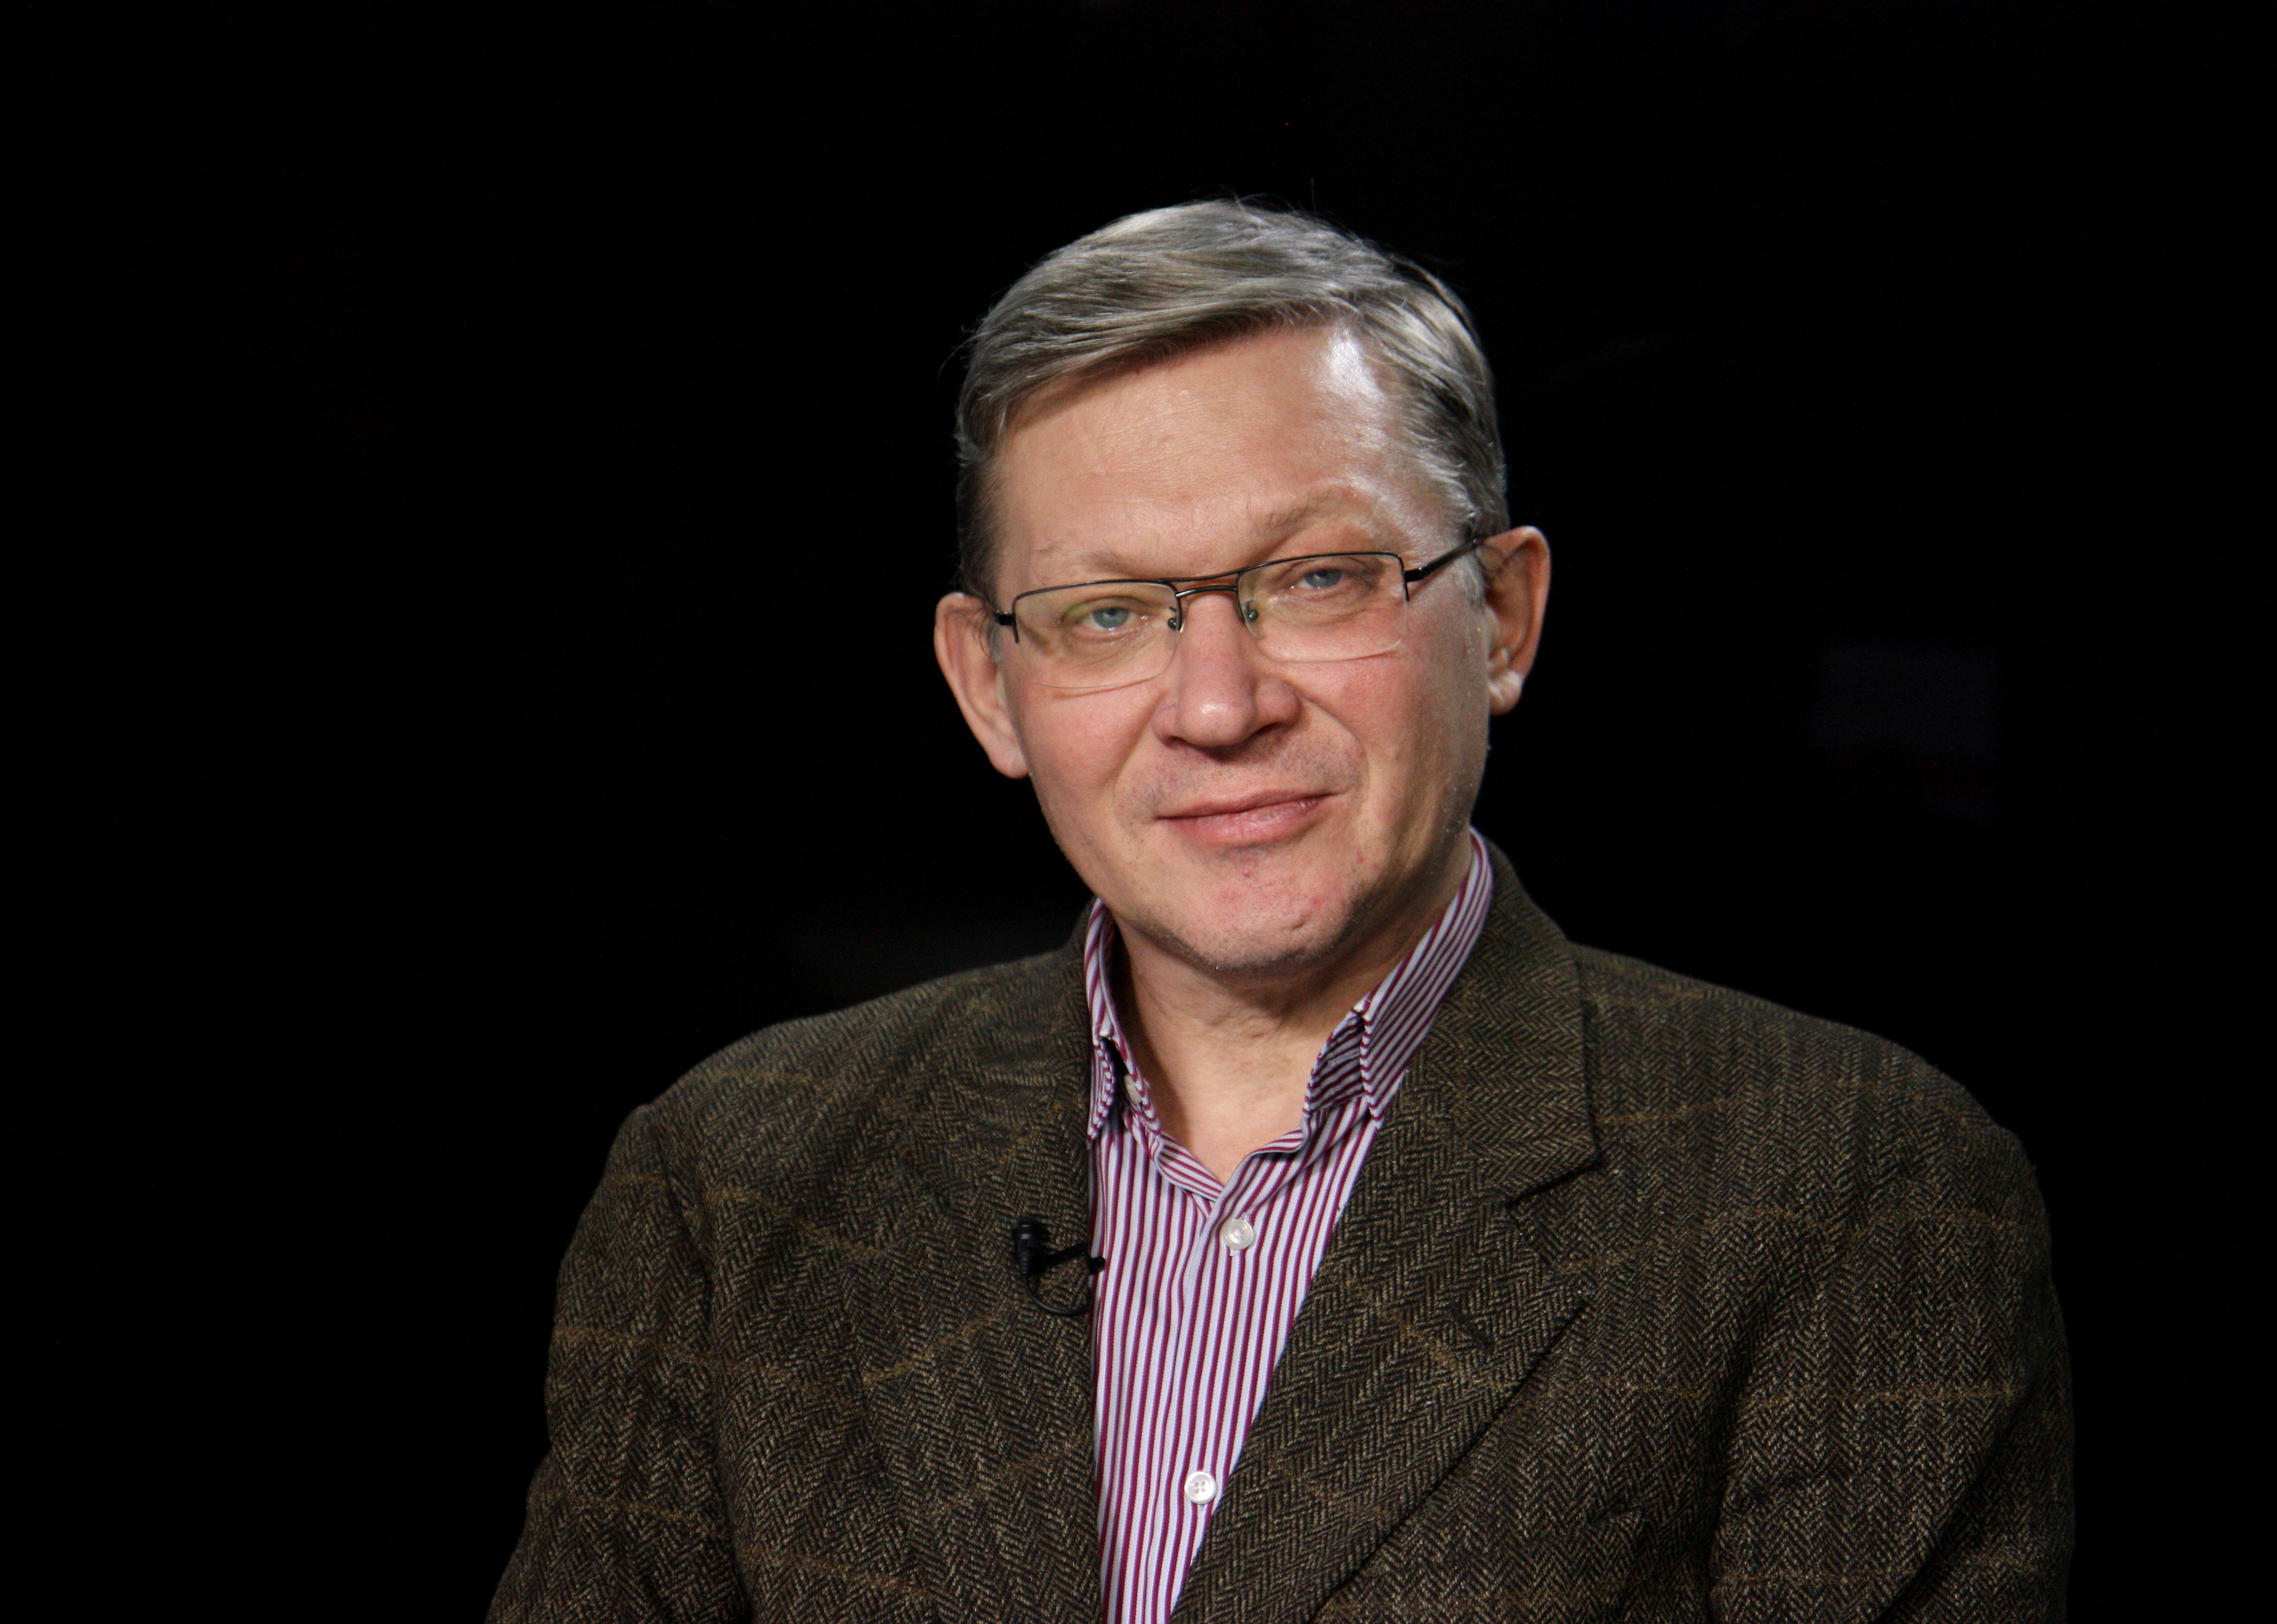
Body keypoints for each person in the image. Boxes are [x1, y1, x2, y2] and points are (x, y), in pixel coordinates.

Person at [491, 202, 2071, 1622]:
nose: (1218, 705)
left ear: (1504, 617)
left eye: (1317, 579)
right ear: (990, 688)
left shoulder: (1854, 1189)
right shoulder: (734, 1181)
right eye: (1108, 613)